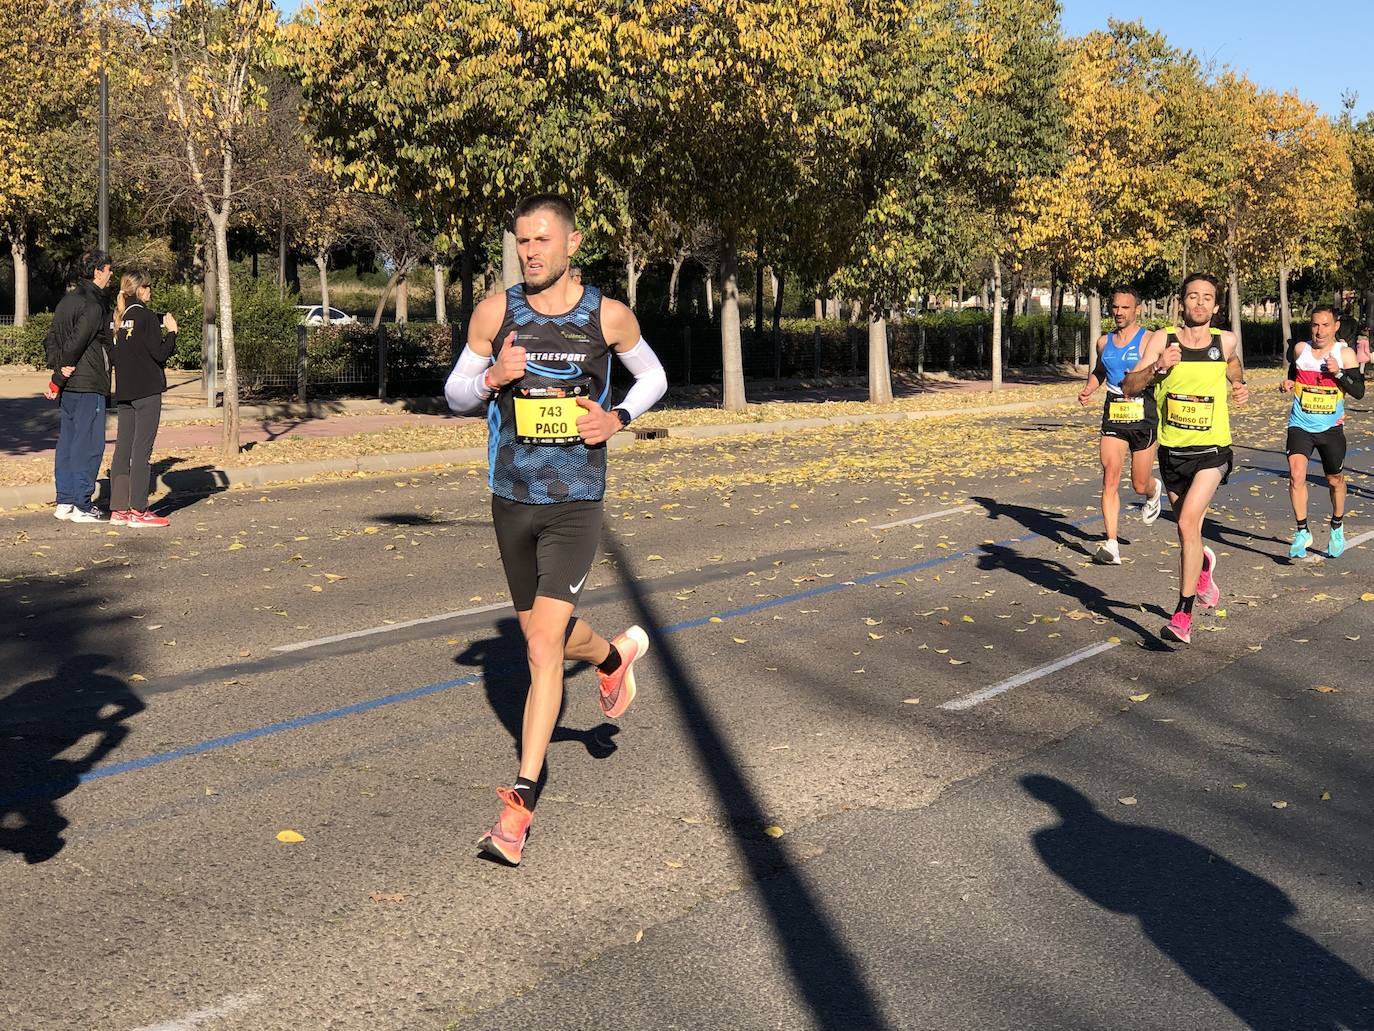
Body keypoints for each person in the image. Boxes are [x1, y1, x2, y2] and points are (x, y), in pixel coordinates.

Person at [445, 194, 668, 865]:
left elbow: (653, 375)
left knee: (542, 649)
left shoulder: (606, 314)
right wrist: (493, 376)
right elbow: (455, 394)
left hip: (575, 500)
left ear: (572, 243)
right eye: (522, 242)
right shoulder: (497, 312)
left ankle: (518, 807)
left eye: (542, 239)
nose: (531, 251)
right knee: (547, 633)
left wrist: (618, 419)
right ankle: (610, 656)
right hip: (510, 499)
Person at [1123, 273, 1248, 645]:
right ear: (1182, 302)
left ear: (1216, 305)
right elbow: (1129, 386)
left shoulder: (1224, 340)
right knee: (1189, 533)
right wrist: (1158, 367)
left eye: (1207, 297)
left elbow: (1234, 365)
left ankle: (1183, 615)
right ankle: (1204, 568)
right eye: (1193, 296)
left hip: (1213, 451)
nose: (1199, 303)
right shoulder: (1163, 339)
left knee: (1186, 523)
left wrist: (1239, 386)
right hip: (1173, 452)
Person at [1077, 286, 1163, 564]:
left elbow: (1157, 371)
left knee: (1139, 483)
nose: (1118, 312)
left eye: (1125, 307)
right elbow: (1100, 371)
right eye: (1115, 307)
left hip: (1142, 413)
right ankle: (1111, 543)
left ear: (1136, 309)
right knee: (1109, 476)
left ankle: (1153, 491)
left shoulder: (1149, 339)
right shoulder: (1103, 343)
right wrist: (1089, 388)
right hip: (1114, 412)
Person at [1279, 305, 1364, 559]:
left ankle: (1337, 526)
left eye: (1326, 325)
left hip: (1330, 429)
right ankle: (1302, 531)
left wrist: (1337, 372)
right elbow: (1293, 374)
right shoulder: (1300, 350)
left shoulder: (1345, 353)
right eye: (1315, 325)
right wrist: (1288, 383)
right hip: (1300, 424)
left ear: (1336, 326)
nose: (1320, 331)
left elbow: (1359, 392)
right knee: (1296, 475)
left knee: (1334, 480)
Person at [46, 249, 114, 522]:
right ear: (98, 272)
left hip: (71, 386)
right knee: (89, 443)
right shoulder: (94, 305)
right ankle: (83, 504)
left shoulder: (67, 300)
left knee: (68, 442)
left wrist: (57, 371)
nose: (111, 276)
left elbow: (51, 338)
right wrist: (59, 375)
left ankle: (65, 500)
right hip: (87, 383)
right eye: (109, 270)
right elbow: (77, 341)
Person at [109, 271, 178, 528]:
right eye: (148, 287)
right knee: (141, 451)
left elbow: (115, 356)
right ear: (139, 290)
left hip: (125, 391)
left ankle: (119, 509)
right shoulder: (146, 316)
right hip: (147, 391)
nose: (150, 291)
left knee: (123, 448)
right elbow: (160, 353)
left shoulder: (119, 319)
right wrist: (172, 333)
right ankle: (139, 509)